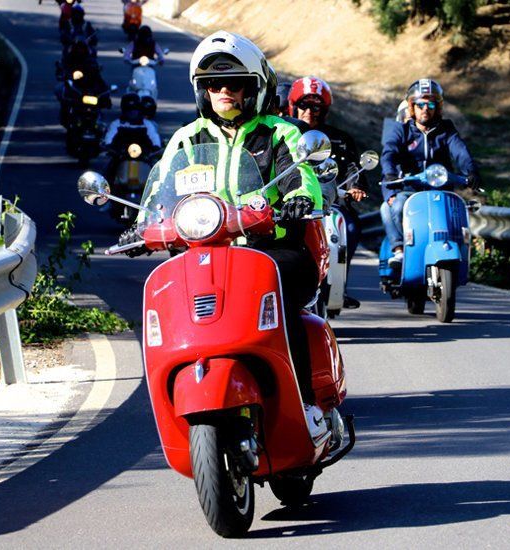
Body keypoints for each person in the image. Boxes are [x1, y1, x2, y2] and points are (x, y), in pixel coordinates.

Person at [124, 31, 326, 434]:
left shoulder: (278, 133)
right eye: (213, 84)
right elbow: (161, 189)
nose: (223, 91)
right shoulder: (187, 139)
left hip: (269, 249)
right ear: (202, 90)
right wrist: (141, 224)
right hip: (203, 256)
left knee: (281, 297)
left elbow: (301, 177)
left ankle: (306, 402)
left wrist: (300, 199)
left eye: (234, 83)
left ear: (254, 88)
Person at [380, 78, 479, 267]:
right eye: (420, 104)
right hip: (409, 190)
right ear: (412, 107)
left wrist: (471, 171)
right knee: (397, 206)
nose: (426, 108)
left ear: (438, 107)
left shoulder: (446, 130)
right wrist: (391, 174)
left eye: (431, 104)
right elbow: (389, 153)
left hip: (441, 190)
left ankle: (459, 253)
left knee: (458, 212)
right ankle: (401, 250)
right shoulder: (401, 130)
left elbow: (460, 151)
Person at [289, 76, 368, 309]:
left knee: (351, 228)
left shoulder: (340, 139)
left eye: (316, 107)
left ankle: (339, 284)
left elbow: (354, 168)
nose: (309, 112)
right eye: (304, 105)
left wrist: (356, 187)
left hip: (333, 204)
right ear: (293, 106)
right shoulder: (285, 133)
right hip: (295, 204)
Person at [102, 92, 161, 183]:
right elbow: (109, 137)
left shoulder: (147, 124)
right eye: (128, 110)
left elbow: (154, 138)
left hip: (144, 157)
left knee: (157, 173)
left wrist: (156, 147)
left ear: (139, 110)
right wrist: (109, 146)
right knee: (108, 170)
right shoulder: (116, 124)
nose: (132, 112)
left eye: (135, 109)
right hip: (121, 157)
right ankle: (106, 193)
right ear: (123, 110)